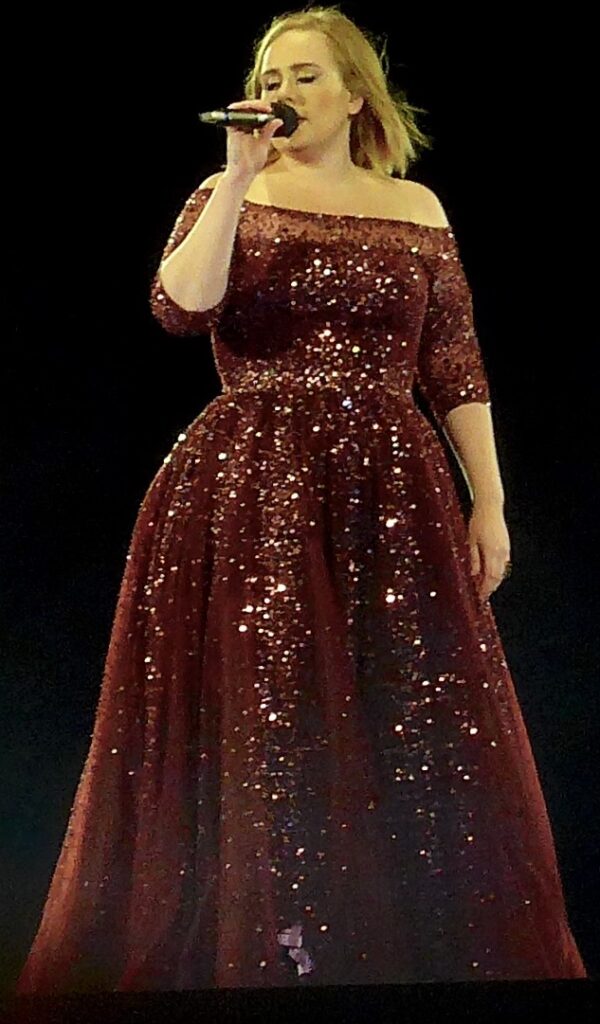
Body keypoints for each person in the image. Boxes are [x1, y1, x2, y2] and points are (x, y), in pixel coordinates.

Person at [15, 6, 587, 994]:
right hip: (253, 486)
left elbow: (455, 365)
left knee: (396, 719)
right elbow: (179, 308)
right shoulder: (228, 190)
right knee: (270, 718)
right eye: (269, 76)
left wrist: (489, 503)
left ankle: (381, 948)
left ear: (356, 92)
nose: (281, 91)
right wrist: (237, 180)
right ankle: (271, 953)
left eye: (304, 74)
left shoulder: (416, 207)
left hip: (392, 492)